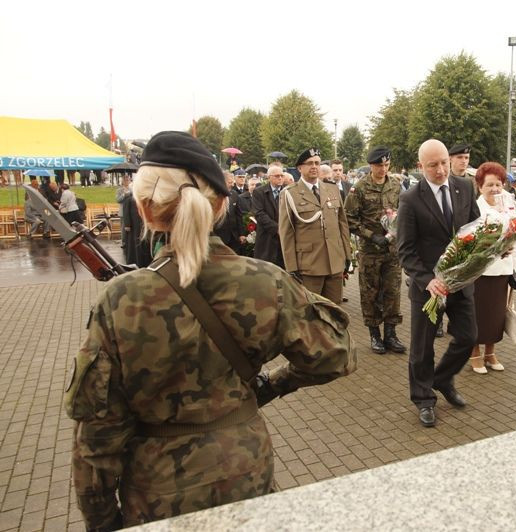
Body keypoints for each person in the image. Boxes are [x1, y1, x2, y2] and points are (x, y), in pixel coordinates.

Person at [66, 131, 355, 530]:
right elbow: (334, 355)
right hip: (246, 473)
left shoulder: (120, 300)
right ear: (220, 206)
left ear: (145, 210)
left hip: (157, 492)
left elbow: (96, 437)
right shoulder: (265, 281)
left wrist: (102, 522)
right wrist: (271, 385)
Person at [396, 139, 480, 428]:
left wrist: (495, 246)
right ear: (421, 167)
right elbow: (405, 250)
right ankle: (423, 399)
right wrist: (427, 280)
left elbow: (476, 229)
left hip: (460, 283)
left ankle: (442, 380)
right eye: (433, 165)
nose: (442, 169)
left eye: (444, 162)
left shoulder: (465, 187)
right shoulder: (410, 199)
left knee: (468, 337)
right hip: (428, 288)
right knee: (422, 349)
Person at [345, 147, 406, 355]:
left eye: (387, 165)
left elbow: (402, 214)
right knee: (370, 292)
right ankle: (374, 335)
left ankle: (390, 334)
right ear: (371, 165)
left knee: (393, 292)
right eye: (379, 165)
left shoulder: (396, 185)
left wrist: (396, 232)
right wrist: (372, 236)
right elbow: (350, 219)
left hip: (392, 251)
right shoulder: (359, 188)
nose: (383, 169)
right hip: (370, 251)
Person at [468, 162, 516, 374]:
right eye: (489, 184)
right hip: (481, 272)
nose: (494, 189)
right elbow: (470, 242)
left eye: (498, 184)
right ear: (480, 186)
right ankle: (474, 353)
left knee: (496, 316)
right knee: (478, 314)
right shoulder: (475, 209)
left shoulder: (509, 205)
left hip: (504, 270)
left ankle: (490, 352)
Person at [278, 148, 351, 304]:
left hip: (335, 262)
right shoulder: (290, 193)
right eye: (310, 163)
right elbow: (286, 232)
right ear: (299, 168)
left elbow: (342, 225)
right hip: (309, 265)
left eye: (317, 163)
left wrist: (347, 254)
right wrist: (292, 267)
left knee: (335, 311)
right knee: (310, 313)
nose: (314, 166)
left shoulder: (332, 190)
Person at [251, 165, 285, 268]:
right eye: (277, 176)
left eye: (282, 175)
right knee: (265, 268)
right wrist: (277, 228)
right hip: (267, 238)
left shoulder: (287, 191)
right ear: (269, 177)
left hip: (284, 238)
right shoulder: (259, 192)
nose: (280, 178)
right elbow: (259, 213)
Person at [213, 171, 243, 254]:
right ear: (222, 181)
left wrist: (241, 234)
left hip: (234, 237)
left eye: (233, 182)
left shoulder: (234, 194)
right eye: (230, 182)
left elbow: (239, 215)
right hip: (219, 237)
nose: (233, 185)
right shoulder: (213, 196)